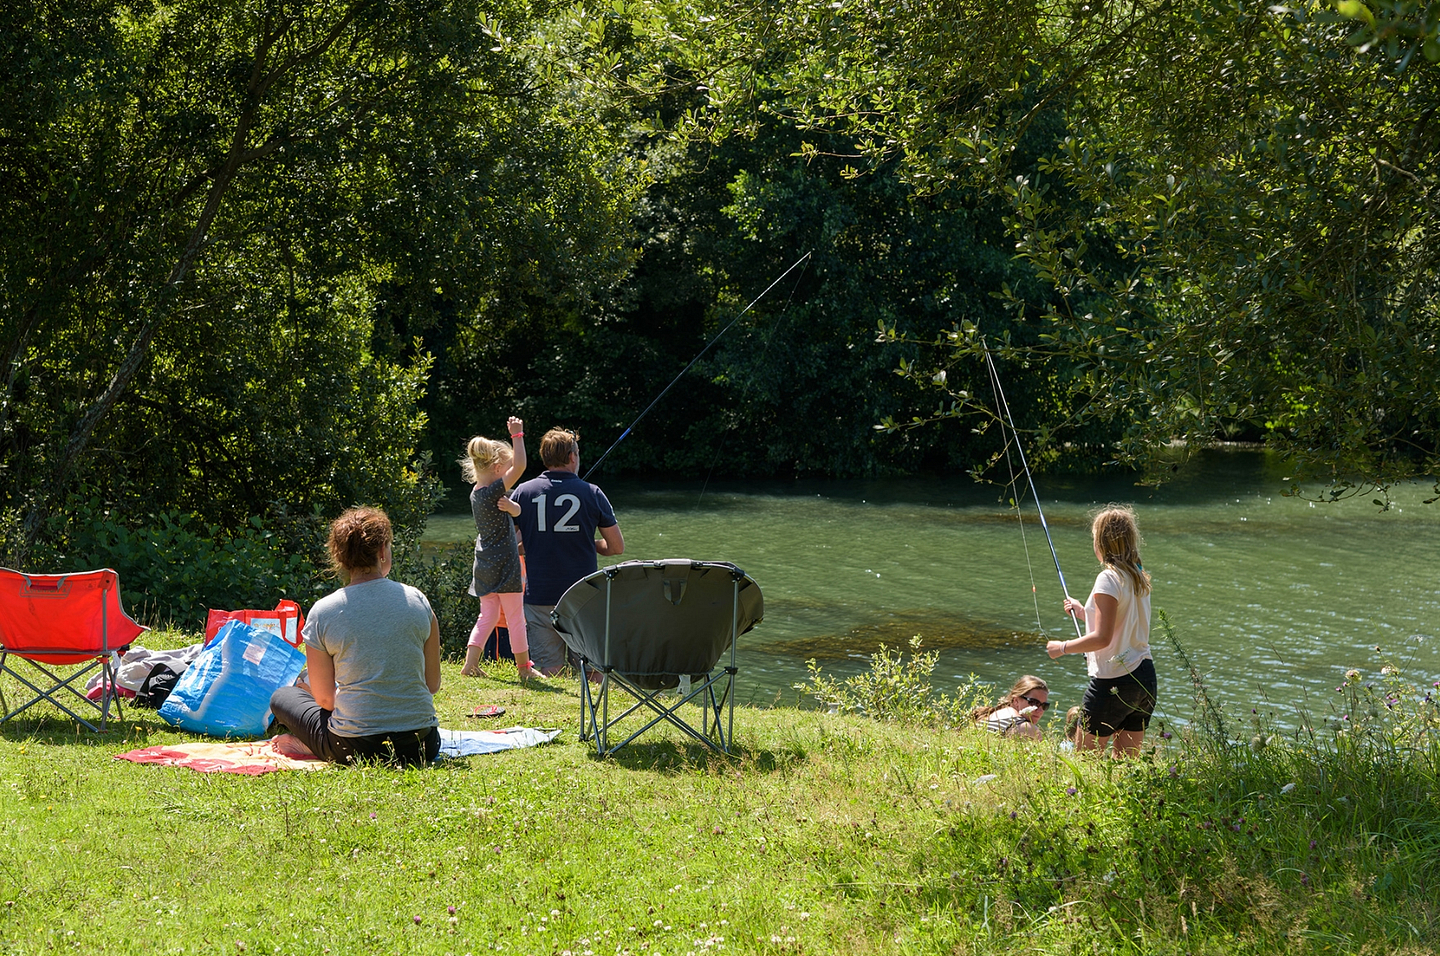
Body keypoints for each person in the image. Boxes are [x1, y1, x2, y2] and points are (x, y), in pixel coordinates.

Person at [270, 507, 442, 766]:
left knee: (282, 696)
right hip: (422, 744)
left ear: (339, 557)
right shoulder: (418, 600)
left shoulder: (324, 611)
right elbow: (432, 685)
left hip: (354, 747)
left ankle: (309, 744)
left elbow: (326, 700)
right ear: (382, 551)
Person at [511, 428, 624, 676]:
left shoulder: (523, 492)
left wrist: (537, 541)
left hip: (539, 595)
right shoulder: (593, 492)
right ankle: (592, 711)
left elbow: (512, 545)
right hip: (582, 595)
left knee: (549, 667)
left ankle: (552, 711)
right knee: (592, 668)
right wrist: (586, 541)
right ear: (572, 457)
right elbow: (616, 547)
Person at [1047, 504, 1158, 757]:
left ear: (1101, 543)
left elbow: (1103, 637)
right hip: (1145, 678)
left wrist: (1061, 648)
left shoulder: (1108, 578)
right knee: (1126, 765)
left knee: (1084, 761)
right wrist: (1085, 612)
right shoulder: (1137, 574)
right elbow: (1124, 622)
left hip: (1115, 680)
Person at [457, 417, 534, 681]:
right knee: (515, 616)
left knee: (487, 615)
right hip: (505, 563)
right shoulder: (493, 491)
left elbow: (512, 509)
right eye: (507, 468)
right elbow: (522, 465)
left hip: (485, 562)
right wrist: (517, 435)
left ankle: (470, 664)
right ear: (498, 467)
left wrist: (515, 509)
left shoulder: (477, 492)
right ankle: (525, 669)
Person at [970, 675, 1050, 739]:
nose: (1039, 710)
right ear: (1016, 701)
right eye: (1034, 703)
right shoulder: (1028, 729)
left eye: (1044, 705)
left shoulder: (992, 715)